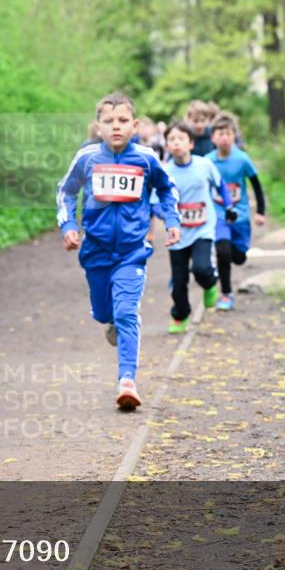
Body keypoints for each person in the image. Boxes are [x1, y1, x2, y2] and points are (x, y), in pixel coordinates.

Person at [57, 92, 180, 411]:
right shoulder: (87, 159)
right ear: (97, 126)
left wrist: (172, 219)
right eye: (109, 121)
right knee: (104, 312)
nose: (116, 127)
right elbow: (66, 192)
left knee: (127, 311)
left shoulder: (146, 158)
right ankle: (109, 319)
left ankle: (127, 380)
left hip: (132, 251)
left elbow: (167, 189)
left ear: (135, 125)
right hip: (95, 251)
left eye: (123, 121)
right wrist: (69, 225)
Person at [160, 122, 227, 333]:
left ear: (190, 143)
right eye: (172, 139)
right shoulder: (164, 173)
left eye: (181, 138)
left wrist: (229, 205)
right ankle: (180, 315)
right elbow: (155, 201)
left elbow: (220, 184)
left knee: (201, 268)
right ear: (167, 146)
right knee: (179, 282)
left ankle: (209, 284)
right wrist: (163, 215)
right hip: (177, 233)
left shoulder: (204, 165)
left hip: (203, 228)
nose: (176, 143)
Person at [205, 114, 267, 311]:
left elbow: (256, 185)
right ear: (213, 138)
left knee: (239, 257)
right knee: (223, 250)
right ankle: (226, 294)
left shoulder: (242, 159)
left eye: (228, 133)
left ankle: (222, 258)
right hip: (218, 214)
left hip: (240, 215)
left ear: (234, 136)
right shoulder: (207, 161)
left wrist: (260, 211)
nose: (224, 138)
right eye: (220, 134)